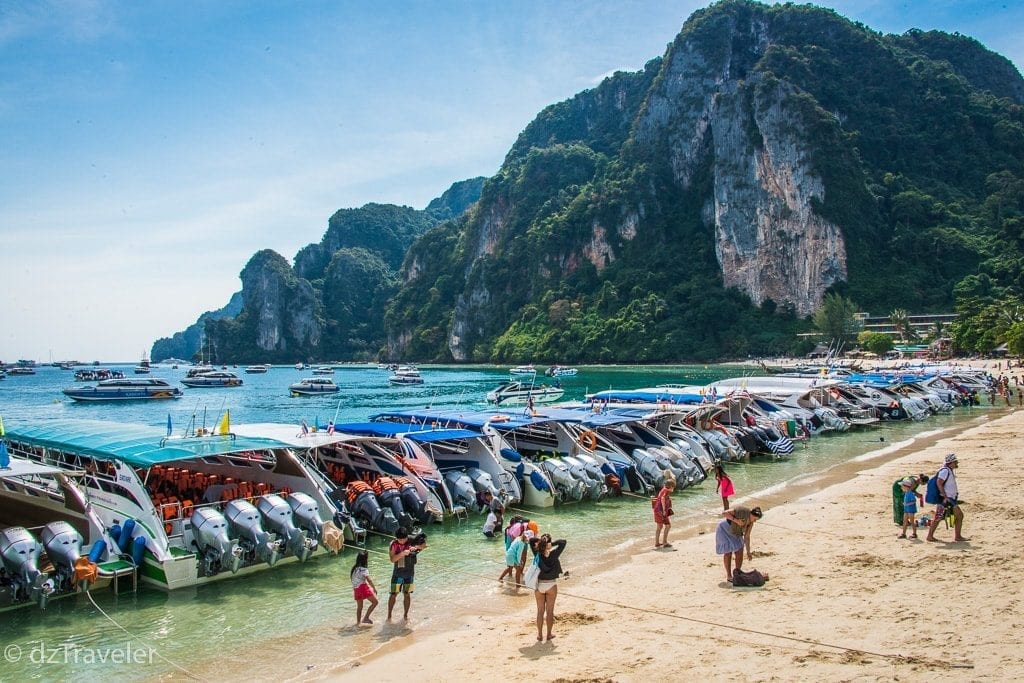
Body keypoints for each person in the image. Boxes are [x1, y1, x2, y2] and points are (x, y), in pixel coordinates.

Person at [531, 534, 567, 642]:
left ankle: (539, 635)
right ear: (549, 544)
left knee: (540, 611)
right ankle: (549, 634)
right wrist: (551, 544)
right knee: (550, 611)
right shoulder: (554, 554)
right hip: (551, 585)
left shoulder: (537, 553)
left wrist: (541, 543)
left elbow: (531, 540)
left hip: (539, 585)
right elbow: (563, 542)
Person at [387, 527, 427, 621]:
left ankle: (405, 615)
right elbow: (392, 559)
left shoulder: (411, 539)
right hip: (397, 573)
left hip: (409, 573)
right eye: (399, 539)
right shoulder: (393, 544)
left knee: (407, 594)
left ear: (406, 537)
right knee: (393, 594)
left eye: (403, 539)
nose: (401, 541)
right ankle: (389, 615)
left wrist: (416, 547)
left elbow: (424, 546)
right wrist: (401, 554)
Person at [716, 506, 763, 583]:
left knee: (740, 550)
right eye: (754, 519)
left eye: (756, 520)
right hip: (725, 529)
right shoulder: (743, 511)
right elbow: (724, 513)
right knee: (728, 552)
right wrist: (736, 520)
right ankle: (729, 575)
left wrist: (748, 552)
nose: (754, 521)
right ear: (751, 514)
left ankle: (737, 573)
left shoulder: (750, 523)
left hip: (736, 532)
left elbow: (747, 537)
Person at [926, 454, 967, 542]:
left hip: (949, 498)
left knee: (941, 517)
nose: (957, 463)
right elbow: (939, 482)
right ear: (950, 463)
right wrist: (944, 495)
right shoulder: (945, 471)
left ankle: (957, 536)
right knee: (944, 516)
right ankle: (930, 536)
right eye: (955, 462)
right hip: (946, 499)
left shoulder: (949, 470)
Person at [350, 550, 378, 626]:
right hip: (362, 587)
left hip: (356, 589)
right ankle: (366, 618)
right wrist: (374, 588)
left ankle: (358, 623)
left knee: (359, 607)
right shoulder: (364, 569)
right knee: (375, 602)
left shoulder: (354, 569)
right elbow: (369, 580)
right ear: (365, 560)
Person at [652, 478, 675, 549]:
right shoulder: (666, 491)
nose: (673, 489)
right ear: (671, 487)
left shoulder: (663, 489)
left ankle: (661, 542)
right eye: (673, 487)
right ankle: (661, 542)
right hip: (660, 512)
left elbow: (661, 497)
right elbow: (662, 498)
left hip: (659, 511)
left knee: (666, 526)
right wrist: (665, 510)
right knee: (661, 527)